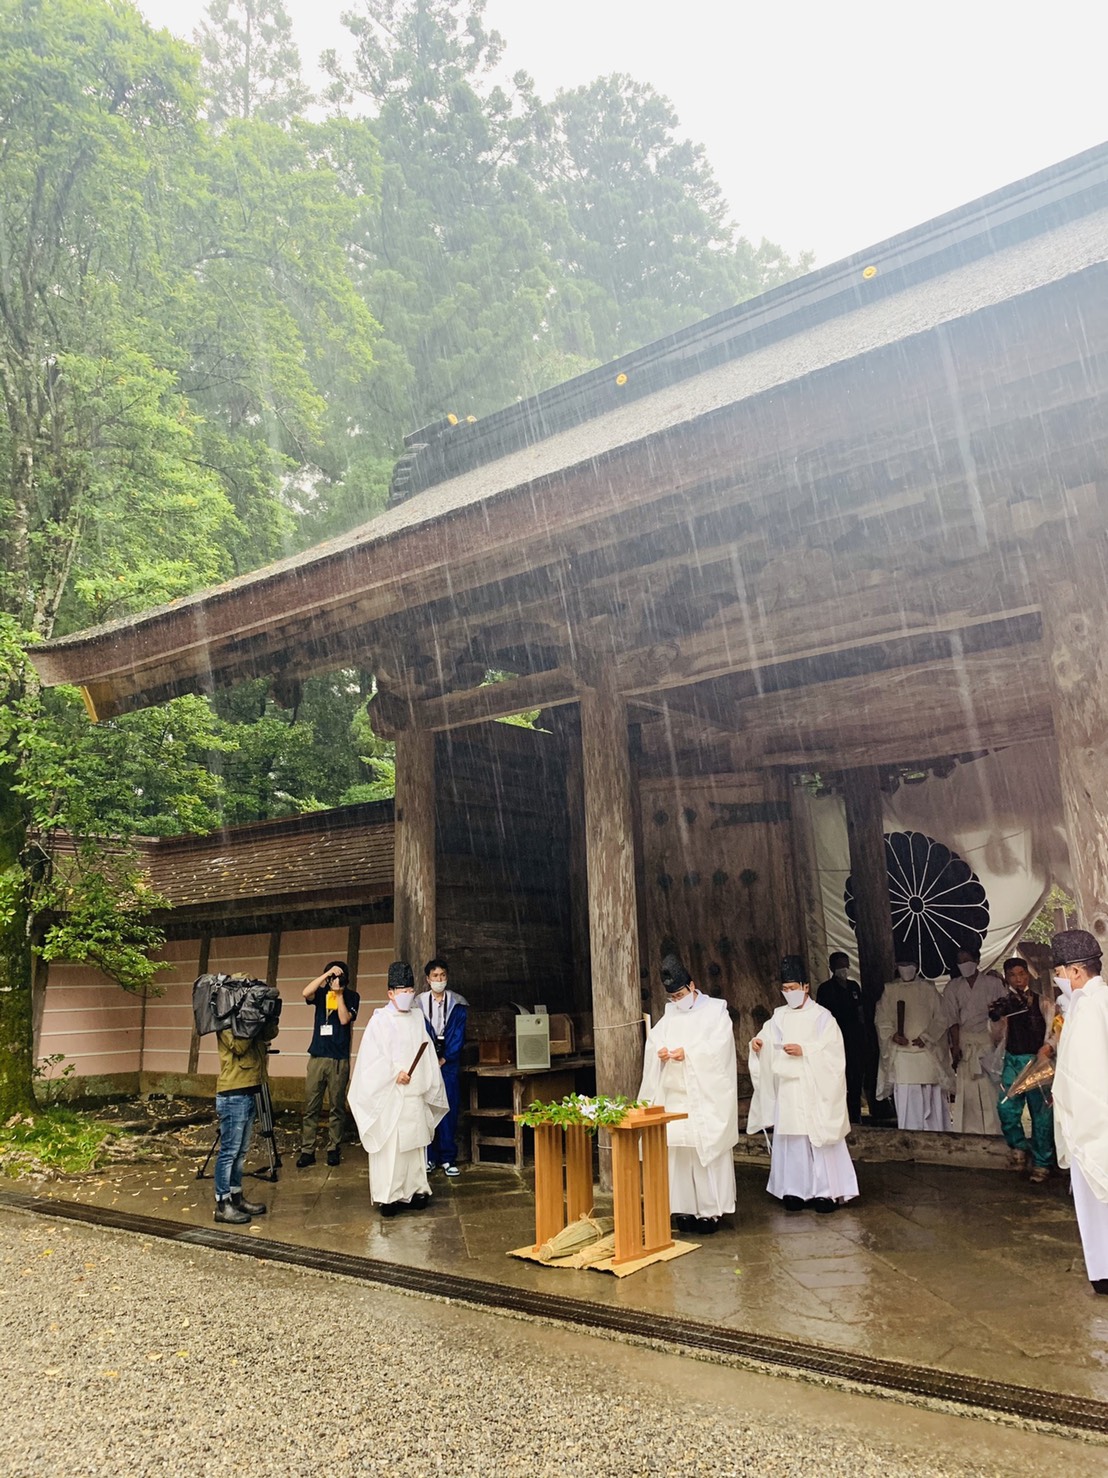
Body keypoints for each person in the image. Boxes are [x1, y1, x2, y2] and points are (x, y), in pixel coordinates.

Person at [747, 955, 859, 1213]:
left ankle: (826, 1192)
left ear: (805, 987)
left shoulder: (822, 1017)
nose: (789, 994)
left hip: (813, 1086)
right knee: (792, 1139)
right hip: (788, 1088)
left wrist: (805, 1051)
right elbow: (764, 1040)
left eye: (793, 988)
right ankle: (794, 1190)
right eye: (785, 990)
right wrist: (757, 1045)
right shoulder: (778, 1017)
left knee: (817, 1138)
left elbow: (832, 1052)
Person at [638, 954, 738, 1234]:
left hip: (704, 1097)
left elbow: (719, 1049)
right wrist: (659, 1055)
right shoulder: (669, 1017)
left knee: (704, 1151)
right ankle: (682, 1207)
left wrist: (690, 1055)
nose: (677, 1000)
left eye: (680, 994)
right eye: (672, 997)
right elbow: (655, 1042)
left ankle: (710, 1210)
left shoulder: (716, 1012)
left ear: (693, 986)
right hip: (675, 1095)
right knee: (679, 1153)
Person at [348, 961, 449, 1218]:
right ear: (390, 993)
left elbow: (425, 1052)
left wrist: (420, 1076)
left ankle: (416, 1190)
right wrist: (394, 1074)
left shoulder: (417, 1017)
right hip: (390, 1094)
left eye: (409, 990)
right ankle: (389, 1197)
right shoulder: (379, 1020)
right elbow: (372, 1058)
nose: (406, 994)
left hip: (414, 1093)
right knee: (391, 1148)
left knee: (415, 1148)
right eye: (401, 990)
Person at [1049, 929, 1108, 1294]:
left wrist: (1069, 1101)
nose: (1058, 980)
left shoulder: (1087, 1007)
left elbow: (1085, 1073)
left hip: (1094, 1120)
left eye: (1059, 972)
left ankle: (1103, 1271)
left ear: (1074, 972)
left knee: (1096, 1201)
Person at [988, 956, 1055, 1182]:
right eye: (1013, 975)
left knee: (1042, 1114)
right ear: (1006, 977)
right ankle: (1018, 1146)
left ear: (1028, 975)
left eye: (1022, 974)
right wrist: (998, 1018)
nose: (1018, 979)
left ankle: (1042, 1163)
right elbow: (995, 1038)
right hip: (1012, 1061)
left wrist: (1048, 1048)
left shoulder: (1044, 1002)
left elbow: (1054, 1032)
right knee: (1006, 1108)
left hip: (1038, 1062)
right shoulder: (1002, 1004)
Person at [213, 1010, 280, 1224]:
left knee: (241, 1151)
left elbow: (270, 1034)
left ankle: (236, 1196)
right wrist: (253, 1020)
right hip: (232, 1092)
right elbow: (239, 1046)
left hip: (250, 1088)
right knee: (229, 1152)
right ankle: (223, 1204)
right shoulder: (224, 1019)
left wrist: (268, 1017)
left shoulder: (248, 1018)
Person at [874, 957, 952, 1131]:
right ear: (896, 966)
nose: (905, 968)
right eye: (902, 964)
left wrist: (927, 1037)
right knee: (907, 1098)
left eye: (909, 964)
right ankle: (910, 1138)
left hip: (926, 1052)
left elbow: (941, 1017)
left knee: (933, 1098)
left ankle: (937, 1137)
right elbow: (882, 1019)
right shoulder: (890, 990)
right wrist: (893, 1036)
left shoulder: (928, 989)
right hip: (902, 1055)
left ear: (916, 967)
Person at [297, 960, 360, 1169]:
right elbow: (306, 992)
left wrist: (339, 994)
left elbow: (344, 1020)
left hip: (338, 1060)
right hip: (317, 1057)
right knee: (311, 1107)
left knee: (336, 1106)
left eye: (339, 976)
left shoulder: (352, 996)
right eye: (332, 976)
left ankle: (333, 1147)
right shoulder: (321, 994)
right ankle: (307, 1150)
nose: (335, 980)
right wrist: (326, 976)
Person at [942, 945, 1004, 1135]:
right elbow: (952, 1019)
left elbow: (1002, 1015)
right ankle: (968, 1131)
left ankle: (994, 1130)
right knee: (967, 1089)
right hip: (965, 1041)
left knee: (990, 1089)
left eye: (967, 960)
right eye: (960, 962)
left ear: (977, 961)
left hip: (988, 1041)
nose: (964, 965)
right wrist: (955, 1046)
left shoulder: (993, 984)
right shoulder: (953, 987)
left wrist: (998, 1042)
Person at [416, 957, 467, 1177]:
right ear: (428, 979)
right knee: (426, 1108)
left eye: (443, 975)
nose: (439, 979)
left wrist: (446, 1057)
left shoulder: (457, 1003)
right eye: (435, 976)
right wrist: (429, 1058)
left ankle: (448, 1158)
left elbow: (458, 1035)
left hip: (448, 1064)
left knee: (448, 1108)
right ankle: (429, 1157)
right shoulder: (417, 1003)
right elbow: (417, 1034)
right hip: (425, 1063)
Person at [816, 951, 866, 1123]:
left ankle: (855, 1113)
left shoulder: (854, 987)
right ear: (831, 968)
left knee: (856, 1076)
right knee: (837, 1077)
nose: (844, 969)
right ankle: (838, 1114)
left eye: (846, 965)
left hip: (854, 1038)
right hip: (834, 1039)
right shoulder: (825, 989)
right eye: (839, 966)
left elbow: (860, 1011)